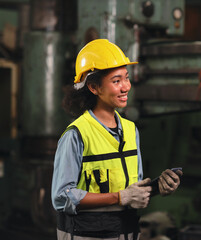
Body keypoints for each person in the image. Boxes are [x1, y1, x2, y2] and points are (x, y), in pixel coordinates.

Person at [51, 39, 182, 240]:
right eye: (116, 81)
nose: (126, 87)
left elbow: (131, 191)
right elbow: (62, 196)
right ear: (94, 87)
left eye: (127, 78)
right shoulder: (76, 135)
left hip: (126, 233)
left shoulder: (130, 130)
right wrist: (120, 197)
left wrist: (156, 187)